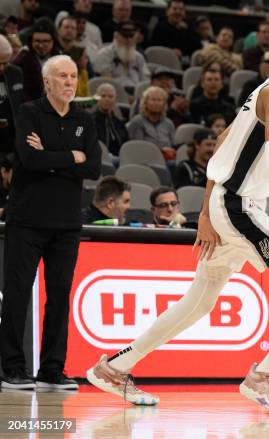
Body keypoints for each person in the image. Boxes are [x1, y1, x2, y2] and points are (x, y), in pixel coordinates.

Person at [86, 20, 269, 415]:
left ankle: (114, 367)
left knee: (199, 302)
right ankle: (266, 373)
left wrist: (207, 210)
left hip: (231, 206)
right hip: (239, 208)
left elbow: (225, 142)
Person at [0, 54, 101, 390]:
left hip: (67, 224)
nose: (70, 82)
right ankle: (12, 369)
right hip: (26, 220)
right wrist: (71, 155)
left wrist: (52, 158)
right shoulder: (29, 112)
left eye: (73, 76)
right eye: (62, 76)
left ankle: (52, 370)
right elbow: (29, 159)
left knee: (60, 296)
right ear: (46, 81)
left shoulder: (85, 120)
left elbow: (93, 168)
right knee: (16, 296)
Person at [12, 17, 59, 102]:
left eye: (45, 41)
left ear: (53, 41)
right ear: (31, 41)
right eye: (37, 41)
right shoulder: (23, 58)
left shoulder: (59, 58)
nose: (41, 46)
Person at [92, 20, 150, 89]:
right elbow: (106, 81)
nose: (128, 40)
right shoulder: (104, 55)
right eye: (125, 36)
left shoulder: (139, 57)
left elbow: (146, 80)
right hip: (114, 93)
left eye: (131, 36)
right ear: (116, 35)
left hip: (136, 93)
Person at [128, 86, 176, 159]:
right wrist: (161, 151)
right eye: (153, 100)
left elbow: (174, 147)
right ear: (145, 102)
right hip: (146, 159)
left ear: (164, 104)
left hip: (168, 159)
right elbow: (137, 148)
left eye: (159, 100)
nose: (156, 103)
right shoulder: (137, 121)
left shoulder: (169, 124)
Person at [149, 0, 200, 66]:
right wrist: (171, 52)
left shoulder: (189, 29)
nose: (178, 12)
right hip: (162, 64)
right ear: (167, 12)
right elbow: (154, 49)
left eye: (181, 9)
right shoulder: (160, 27)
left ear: (184, 13)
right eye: (175, 9)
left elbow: (197, 49)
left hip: (184, 64)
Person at [0, 34, 23, 156]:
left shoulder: (15, 73)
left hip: (14, 146)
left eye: (6, 63)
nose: (3, 68)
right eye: (0, 63)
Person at [92, 83, 129, 156]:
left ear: (115, 100)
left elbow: (127, 145)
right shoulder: (90, 121)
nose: (107, 99)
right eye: (103, 96)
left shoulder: (119, 123)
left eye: (110, 96)